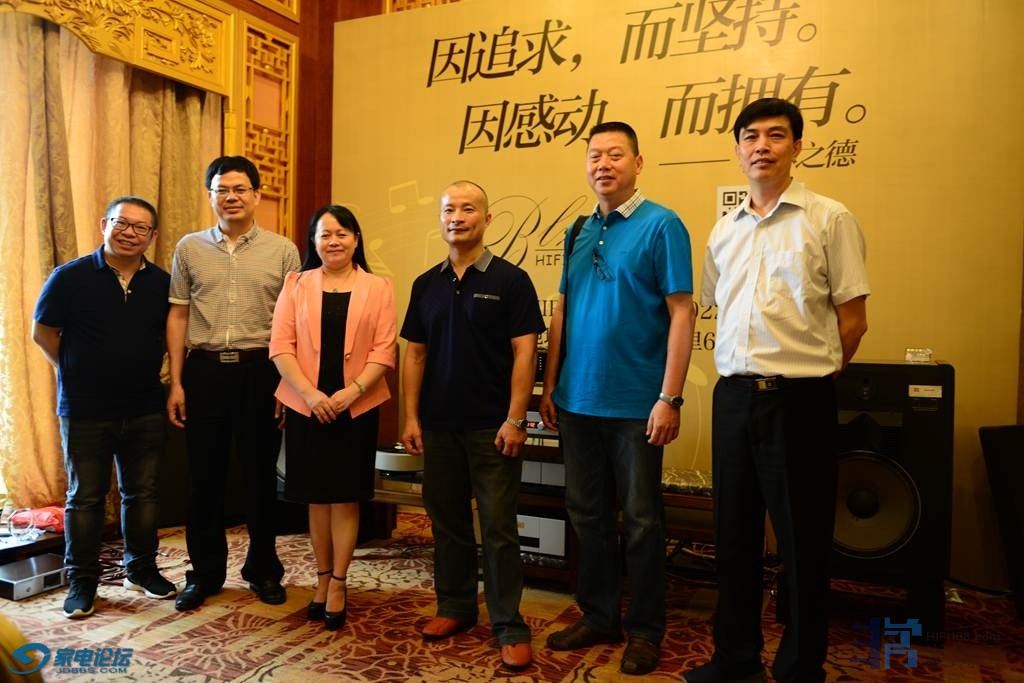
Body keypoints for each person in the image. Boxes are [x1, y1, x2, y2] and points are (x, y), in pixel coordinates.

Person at [683, 98, 870, 683]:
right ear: (737, 150)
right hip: (734, 398)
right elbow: (715, 305)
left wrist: (816, 374)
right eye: (750, 137)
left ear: (798, 146)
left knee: (802, 542)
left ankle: (799, 667)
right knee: (733, 538)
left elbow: (854, 320)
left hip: (799, 400)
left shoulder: (829, 218)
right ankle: (735, 658)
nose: (761, 146)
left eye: (775, 135)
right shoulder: (725, 229)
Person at [539, 121, 696, 676]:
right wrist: (551, 385)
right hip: (577, 401)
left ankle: (647, 629)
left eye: (615, 155)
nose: (603, 164)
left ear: (638, 163)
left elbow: (682, 311)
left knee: (643, 521)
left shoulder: (663, 224)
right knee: (587, 515)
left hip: (636, 405)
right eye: (594, 156)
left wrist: (669, 397)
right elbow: (562, 310)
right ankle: (600, 616)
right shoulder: (578, 229)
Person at [400, 180, 545, 671]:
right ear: (440, 219)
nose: (457, 217)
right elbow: (415, 354)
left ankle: (509, 625)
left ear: (486, 219)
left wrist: (515, 418)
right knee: (448, 523)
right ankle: (455, 606)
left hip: (492, 427)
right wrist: (411, 417)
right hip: (439, 426)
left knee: (499, 528)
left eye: (467, 209)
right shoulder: (426, 284)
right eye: (449, 210)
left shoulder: (511, 280)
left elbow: (524, 351)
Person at [166, 156, 301, 611]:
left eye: (240, 189)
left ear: (257, 195)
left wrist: (287, 386)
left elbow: (292, 323)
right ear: (210, 196)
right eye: (221, 189)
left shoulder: (283, 251)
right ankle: (204, 573)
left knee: (260, 477)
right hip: (204, 372)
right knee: (204, 478)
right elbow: (178, 314)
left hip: (261, 371)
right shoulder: (189, 248)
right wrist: (176, 382)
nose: (231, 197)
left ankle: (263, 570)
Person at [33, 196, 176, 618]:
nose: (129, 233)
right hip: (85, 408)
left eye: (140, 227)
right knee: (85, 498)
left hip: (145, 405)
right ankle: (82, 581)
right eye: (121, 223)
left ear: (152, 236)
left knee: (143, 494)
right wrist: (73, 370)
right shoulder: (70, 277)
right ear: (104, 224)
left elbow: (169, 335)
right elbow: (43, 333)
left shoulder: (162, 283)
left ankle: (141, 569)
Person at [269, 205, 396, 630]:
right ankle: (321, 579)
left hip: (355, 406)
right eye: (325, 234)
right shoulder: (296, 284)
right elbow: (280, 346)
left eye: (342, 233)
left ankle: (339, 581)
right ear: (314, 241)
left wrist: (351, 392)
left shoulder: (379, 287)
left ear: (356, 239)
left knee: (344, 496)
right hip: (305, 405)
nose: (334, 241)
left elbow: (384, 350)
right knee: (316, 497)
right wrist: (310, 395)